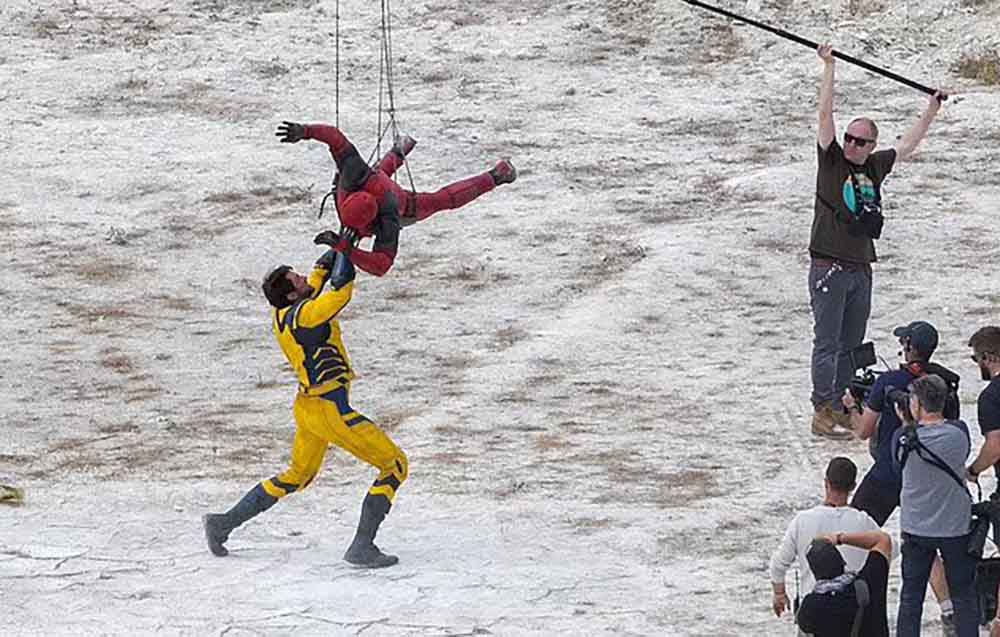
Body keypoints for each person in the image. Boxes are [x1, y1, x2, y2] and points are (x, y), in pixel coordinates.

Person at [202, 249, 408, 568]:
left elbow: (315, 285)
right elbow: (340, 293)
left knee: (296, 476)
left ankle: (223, 523)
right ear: (290, 293)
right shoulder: (308, 316)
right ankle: (363, 545)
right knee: (394, 465)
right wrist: (345, 259)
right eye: (297, 279)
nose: (304, 280)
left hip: (308, 407)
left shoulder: (283, 314)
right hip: (330, 409)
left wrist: (333, 254)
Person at [808, 42, 945, 439]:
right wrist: (829, 68)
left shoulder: (875, 166)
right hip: (828, 266)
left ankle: (845, 404)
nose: (851, 144)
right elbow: (824, 114)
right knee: (828, 342)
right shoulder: (831, 161)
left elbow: (907, 146)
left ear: (870, 146)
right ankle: (823, 408)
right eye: (849, 138)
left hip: (860, 267)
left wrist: (931, 110)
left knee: (851, 344)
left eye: (859, 141)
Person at [276, 120, 517, 277]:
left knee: (440, 200)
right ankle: (400, 149)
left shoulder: (389, 215)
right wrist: (304, 131)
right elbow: (335, 136)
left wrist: (345, 247)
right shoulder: (354, 173)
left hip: (400, 202)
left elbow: (381, 265)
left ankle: (496, 176)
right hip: (372, 182)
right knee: (379, 172)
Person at [843, 322, 959, 634]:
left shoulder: (889, 382)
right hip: (925, 477)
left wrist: (852, 406)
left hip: (886, 475)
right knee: (924, 544)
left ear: (908, 347)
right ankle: (949, 611)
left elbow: (863, 430)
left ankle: (844, 597)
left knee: (853, 530)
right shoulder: (944, 382)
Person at [894, 375, 977, 636]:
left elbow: (897, 467)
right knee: (963, 596)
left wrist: (907, 424)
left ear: (916, 403)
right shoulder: (960, 432)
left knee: (911, 598)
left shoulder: (902, 438)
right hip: (955, 527)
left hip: (916, 527)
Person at [771, 457, 881, 625]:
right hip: (854, 613)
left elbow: (778, 565)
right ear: (853, 487)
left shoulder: (802, 520)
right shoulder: (864, 521)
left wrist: (779, 593)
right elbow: (890, 549)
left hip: (813, 613)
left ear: (826, 483)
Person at [963, 326, 1000, 635]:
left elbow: (995, 445)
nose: (978, 366)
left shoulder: (992, 397)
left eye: (977, 359)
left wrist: (973, 470)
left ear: (989, 357)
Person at [795, 530, 892, 637]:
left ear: (815, 573)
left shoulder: (811, 605)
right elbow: (882, 539)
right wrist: (839, 538)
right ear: (843, 562)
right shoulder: (869, 581)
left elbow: (805, 626)